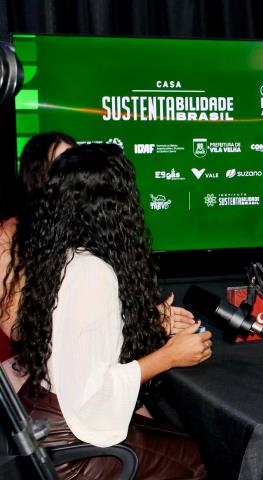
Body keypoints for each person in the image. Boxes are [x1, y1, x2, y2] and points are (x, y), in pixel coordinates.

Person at [2, 143, 211, 477]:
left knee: (181, 438)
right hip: (71, 442)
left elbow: (78, 337)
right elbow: (90, 391)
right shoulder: (92, 270)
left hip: (44, 417)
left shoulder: (62, 255)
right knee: (198, 458)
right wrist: (170, 356)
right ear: (112, 205)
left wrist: (148, 320)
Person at [1, 132, 78, 363]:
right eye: (61, 166)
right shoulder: (10, 236)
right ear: (38, 177)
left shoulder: (85, 229)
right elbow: (19, 329)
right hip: (30, 371)